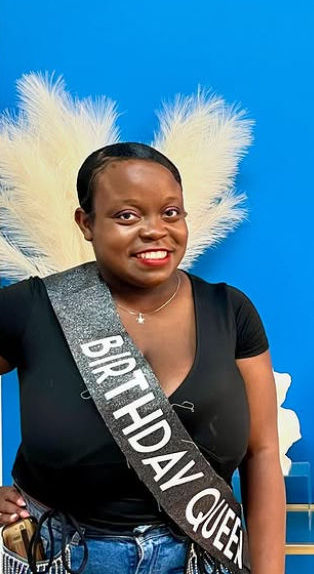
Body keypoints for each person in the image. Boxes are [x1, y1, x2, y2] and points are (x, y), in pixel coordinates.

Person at [0, 143, 286, 574]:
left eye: (171, 213)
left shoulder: (229, 311)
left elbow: (262, 453)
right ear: (86, 223)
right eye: (127, 216)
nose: (155, 230)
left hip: (203, 557)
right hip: (60, 558)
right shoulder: (32, 308)